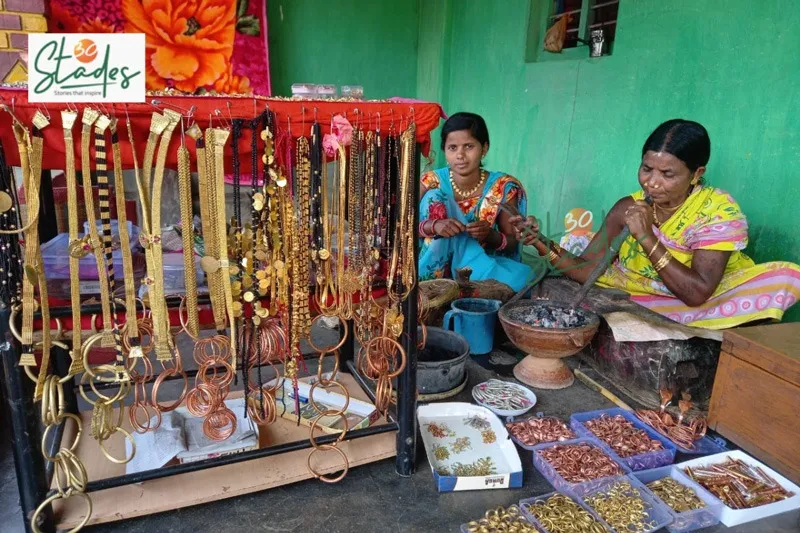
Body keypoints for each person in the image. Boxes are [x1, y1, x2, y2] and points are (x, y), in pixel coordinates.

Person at [511, 119, 800, 329]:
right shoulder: (628, 206)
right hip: (646, 292)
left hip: (706, 297)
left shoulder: (717, 211)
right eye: (647, 169)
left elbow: (697, 293)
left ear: (697, 173)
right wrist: (539, 241)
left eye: (667, 174)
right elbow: (586, 268)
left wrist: (647, 238)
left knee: (783, 277)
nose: (652, 182)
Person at [418, 112, 533, 292]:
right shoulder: (430, 182)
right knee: (435, 197)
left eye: (469, 146)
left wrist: (490, 235)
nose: (460, 155)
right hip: (430, 263)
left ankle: (461, 282)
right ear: (445, 151)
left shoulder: (502, 187)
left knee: (523, 279)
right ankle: (428, 284)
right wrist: (433, 226)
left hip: (479, 265)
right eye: (452, 148)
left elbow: (512, 242)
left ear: (484, 148)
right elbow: (400, 226)